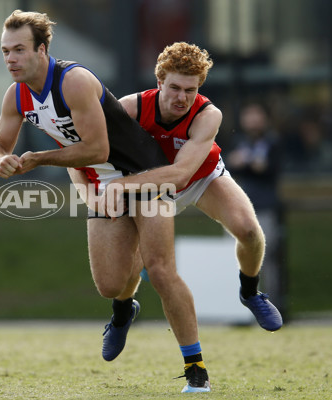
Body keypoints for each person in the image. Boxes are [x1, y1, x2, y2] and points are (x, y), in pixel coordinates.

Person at [0, 11, 211, 393]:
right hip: (100, 183)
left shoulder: (73, 80)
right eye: (6, 51)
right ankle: (124, 308)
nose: (11, 59)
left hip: (142, 174)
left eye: (20, 50)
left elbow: (97, 147)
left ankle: (196, 368)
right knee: (109, 284)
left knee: (160, 270)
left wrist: (38, 158)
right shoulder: (16, 95)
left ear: (42, 50)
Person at [74, 42, 282, 386]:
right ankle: (123, 311)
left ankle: (249, 292)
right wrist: (90, 195)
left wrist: (121, 189)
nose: (181, 97)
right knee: (122, 275)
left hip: (196, 178)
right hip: (146, 187)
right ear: (159, 82)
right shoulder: (128, 109)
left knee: (248, 231)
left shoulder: (208, 115)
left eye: (190, 90)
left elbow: (182, 175)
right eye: (174, 88)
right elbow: (81, 154)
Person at [225, 103, 286, 316]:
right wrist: (252, 165)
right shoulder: (238, 141)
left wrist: (249, 165)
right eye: (248, 116)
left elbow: (270, 169)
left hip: (264, 206)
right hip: (238, 207)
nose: (252, 121)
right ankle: (238, 311)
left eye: (256, 116)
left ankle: (272, 306)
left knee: (265, 257)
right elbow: (229, 167)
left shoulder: (273, 142)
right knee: (235, 256)